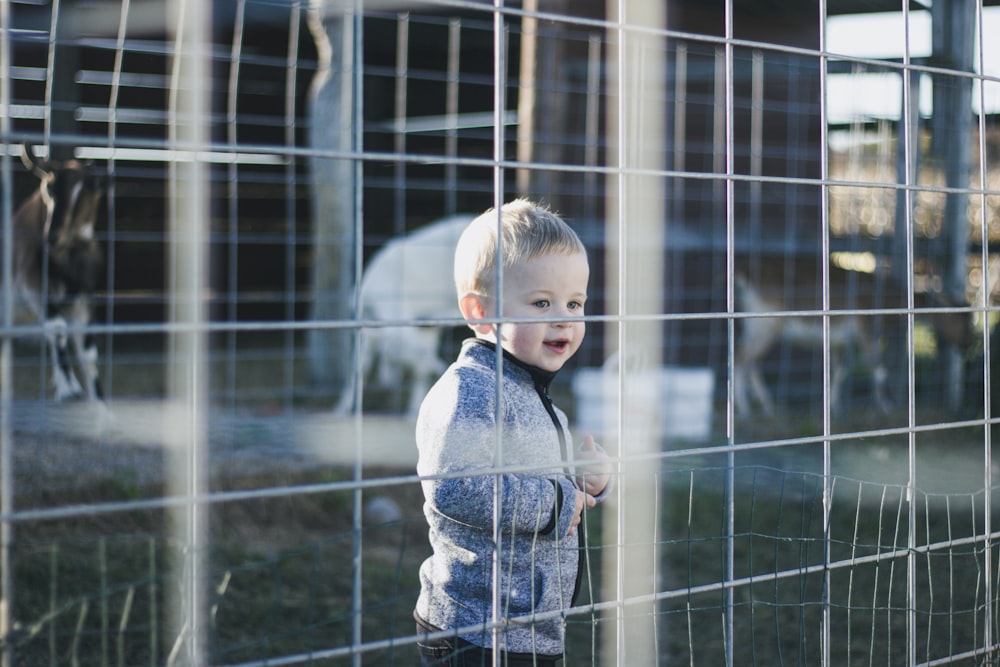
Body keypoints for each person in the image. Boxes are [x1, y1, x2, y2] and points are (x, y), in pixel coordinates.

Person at [414, 198, 613, 666]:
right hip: (476, 628)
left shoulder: (530, 390)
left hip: (530, 625)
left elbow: (549, 480)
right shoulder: (470, 390)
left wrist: (588, 480)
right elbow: (455, 488)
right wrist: (559, 502)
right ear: (481, 313)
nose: (564, 317)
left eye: (575, 302)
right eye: (542, 302)